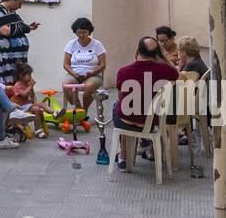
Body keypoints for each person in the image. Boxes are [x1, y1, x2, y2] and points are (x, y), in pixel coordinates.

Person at [113, 36, 180, 171]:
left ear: (137, 51)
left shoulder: (124, 71)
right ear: (157, 54)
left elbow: (121, 98)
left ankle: (124, 156)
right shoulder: (165, 70)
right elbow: (176, 74)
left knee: (117, 107)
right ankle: (145, 144)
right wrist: (162, 58)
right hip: (151, 122)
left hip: (127, 120)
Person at [0, 0, 39, 87]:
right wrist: (24, 28)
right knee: (8, 85)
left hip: (16, 57)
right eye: (19, 3)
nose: (20, 7)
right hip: (6, 57)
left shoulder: (11, 12)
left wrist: (28, 27)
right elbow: (6, 31)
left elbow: (16, 28)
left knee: (19, 84)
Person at [62, 17, 106, 115]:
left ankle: (84, 111)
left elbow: (103, 64)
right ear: (75, 32)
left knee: (89, 86)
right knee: (66, 85)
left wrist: (92, 73)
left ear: (89, 32)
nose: (81, 35)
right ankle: (79, 111)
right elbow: (66, 64)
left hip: (93, 75)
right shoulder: (71, 44)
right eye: (79, 32)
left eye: (84, 32)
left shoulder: (97, 44)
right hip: (74, 74)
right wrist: (74, 73)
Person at [8, 62, 50, 136]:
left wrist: (34, 102)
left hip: (29, 105)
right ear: (21, 76)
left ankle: (53, 113)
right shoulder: (18, 85)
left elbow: (33, 95)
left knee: (40, 106)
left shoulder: (28, 84)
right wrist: (31, 86)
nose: (31, 77)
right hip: (21, 107)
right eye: (29, 75)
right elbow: (24, 95)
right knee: (37, 109)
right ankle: (38, 130)